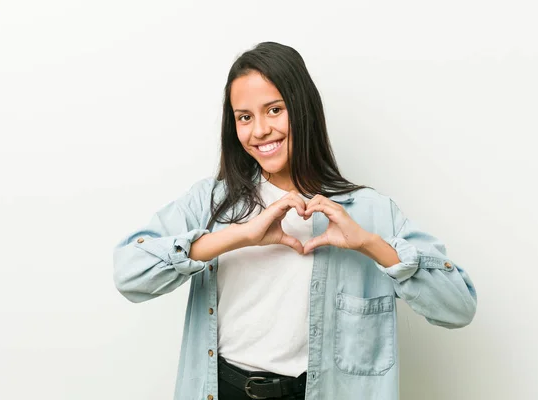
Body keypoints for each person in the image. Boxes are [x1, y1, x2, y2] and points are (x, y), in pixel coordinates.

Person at [113, 41, 477, 400]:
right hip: (223, 389)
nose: (259, 131)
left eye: (274, 110)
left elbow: (458, 308)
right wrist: (239, 236)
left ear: (304, 110)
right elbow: (129, 274)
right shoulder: (210, 202)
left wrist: (369, 243)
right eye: (244, 117)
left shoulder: (370, 212)